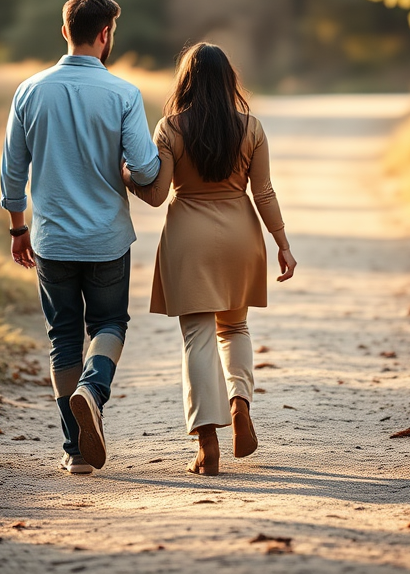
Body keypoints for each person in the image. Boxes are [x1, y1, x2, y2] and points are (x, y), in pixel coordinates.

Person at [0, 0, 160, 475]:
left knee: (62, 335)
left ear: (64, 30)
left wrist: (18, 227)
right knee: (110, 324)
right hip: (107, 238)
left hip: (52, 240)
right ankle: (93, 389)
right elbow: (148, 170)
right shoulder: (124, 94)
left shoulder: (29, 90)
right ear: (106, 34)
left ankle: (75, 452)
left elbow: (12, 174)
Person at [124, 42, 296, 476]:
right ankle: (240, 402)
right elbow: (265, 193)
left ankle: (206, 441)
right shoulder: (251, 127)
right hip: (241, 234)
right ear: (228, 81)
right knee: (234, 326)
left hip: (189, 238)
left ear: (186, 81)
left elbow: (157, 194)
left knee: (197, 336)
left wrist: (125, 174)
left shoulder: (170, 127)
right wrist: (282, 242)